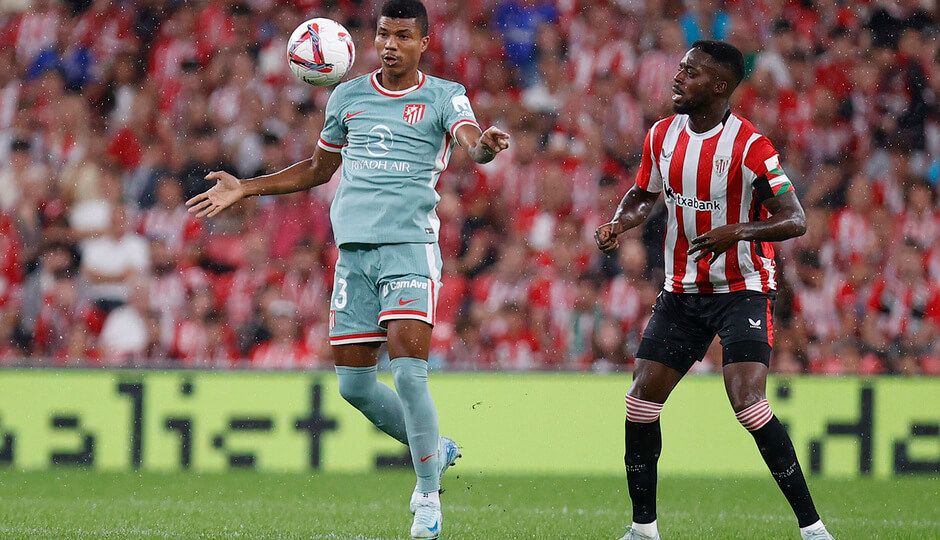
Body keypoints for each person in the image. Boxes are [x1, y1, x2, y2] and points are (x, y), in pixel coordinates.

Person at [185, 1, 510, 538]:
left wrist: (486, 150)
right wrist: (247, 188)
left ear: (423, 43)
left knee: (408, 373)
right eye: (384, 34)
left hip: (409, 248)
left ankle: (428, 496)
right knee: (354, 386)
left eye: (403, 36)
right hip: (354, 255)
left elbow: (472, 139)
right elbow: (318, 168)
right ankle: (434, 448)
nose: (390, 44)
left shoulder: (443, 95)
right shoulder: (348, 96)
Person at [595, 41, 834, 540]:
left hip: (742, 288)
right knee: (640, 403)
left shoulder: (750, 146)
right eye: (680, 68)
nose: (677, 78)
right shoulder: (662, 135)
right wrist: (621, 223)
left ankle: (813, 530)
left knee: (748, 404)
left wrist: (739, 230)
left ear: (719, 86)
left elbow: (796, 219)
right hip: (682, 290)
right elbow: (644, 195)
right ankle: (643, 530)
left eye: (691, 72)